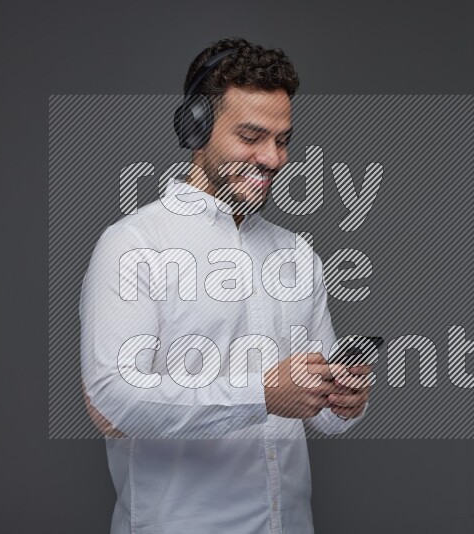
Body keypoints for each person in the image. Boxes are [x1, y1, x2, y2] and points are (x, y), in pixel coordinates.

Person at [79, 37, 371, 533]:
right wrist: (262, 394)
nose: (273, 159)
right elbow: (114, 402)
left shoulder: (296, 254)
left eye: (282, 140)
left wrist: (344, 401)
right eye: (252, 137)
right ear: (196, 127)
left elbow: (318, 410)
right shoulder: (134, 245)